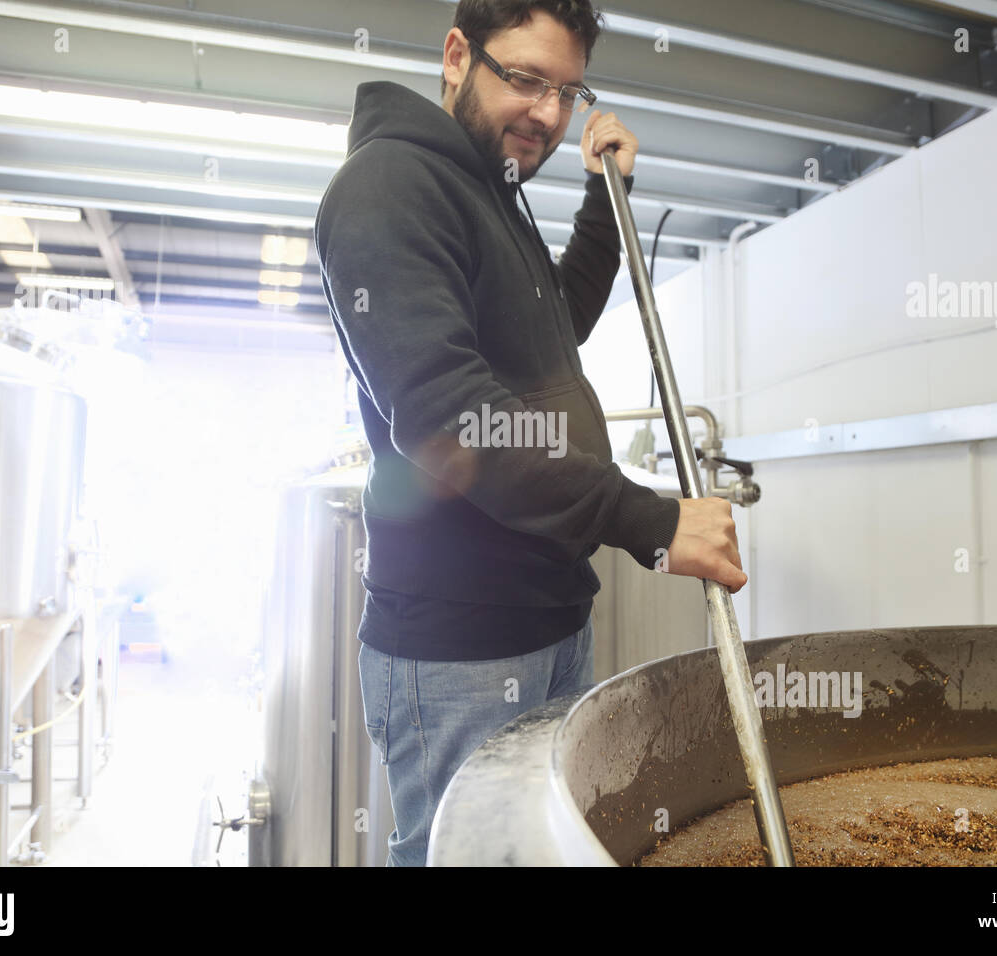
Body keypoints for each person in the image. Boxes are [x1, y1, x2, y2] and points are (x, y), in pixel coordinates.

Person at [314, 0, 746, 867]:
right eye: (525, 79)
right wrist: (650, 522)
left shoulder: (489, 193)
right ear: (455, 56)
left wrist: (603, 194)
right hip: (460, 641)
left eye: (569, 91)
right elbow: (450, 418)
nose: (549, 113)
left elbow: (557, 324)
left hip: (550, 616)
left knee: (538, 852)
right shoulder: (390, 189)